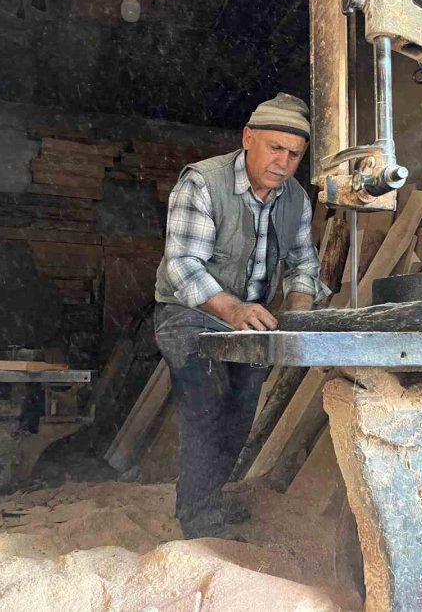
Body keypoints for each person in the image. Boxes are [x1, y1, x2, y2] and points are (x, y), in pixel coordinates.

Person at [153, 92, 329, 538]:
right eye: (274, 148)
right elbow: (181, 266)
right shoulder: (202, 183)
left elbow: (302, 265)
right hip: (191, 313)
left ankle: (204, 499)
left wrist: (298, 316)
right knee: (205, 407)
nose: (284, 163)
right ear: (248, 138)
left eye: (294, 154)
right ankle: (198, 522)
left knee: (238, 416)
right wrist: (231, 308)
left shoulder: (296, 200)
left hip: (248, 318)